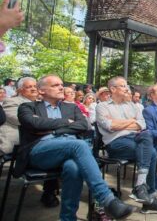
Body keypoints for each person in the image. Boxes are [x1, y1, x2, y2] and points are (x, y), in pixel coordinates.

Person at [17, 75, 135, 220]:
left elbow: (83, 125)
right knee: (78, 144)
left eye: (61, 84)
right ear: (41, 91)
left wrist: (53, 129)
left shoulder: (71, 107)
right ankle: (106, 199)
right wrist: (67, 122)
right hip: (41, 152)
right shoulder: (28, 106)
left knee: (74, 168)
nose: (61, 87)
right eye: (55, 85)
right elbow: (33, 124)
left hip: (70, 152)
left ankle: (68, 218)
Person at [96, 77, 157, 214]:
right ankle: (147, 197)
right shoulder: (102, 106)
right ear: (113, 89)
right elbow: (110, 126)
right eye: (123, 86)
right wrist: (131, 121)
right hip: (116, 143)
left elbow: (142, 124)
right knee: (152, 153)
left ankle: (141, 189)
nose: (127, 88)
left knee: (147, 137)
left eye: (126, 85)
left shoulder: (132, 105)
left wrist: (122, 123)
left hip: (135, 139)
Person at [0, 77, 61, 207]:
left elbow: (48, 122)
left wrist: (43, 121)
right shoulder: (11, 101)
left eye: (35, 86)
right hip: (19, 144)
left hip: (41, 140)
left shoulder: (43, 103)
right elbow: (24, 121)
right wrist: (48, 122)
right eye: (29, 87)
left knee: (60, 148)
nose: (34, 89)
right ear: (20, 90)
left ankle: (49, 192)